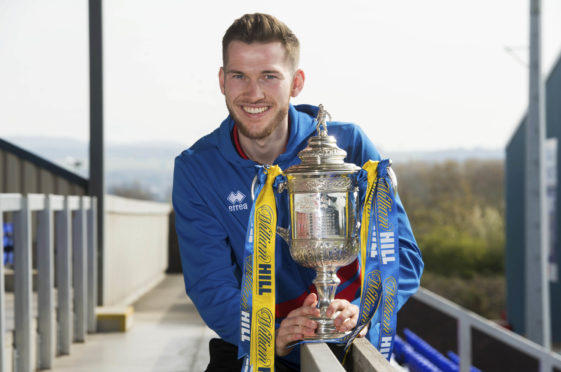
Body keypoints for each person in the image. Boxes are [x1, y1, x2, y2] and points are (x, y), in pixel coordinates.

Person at [172, 13, 423, 372]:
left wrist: (363, 309)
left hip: (349, 342)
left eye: (269, 76)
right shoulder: (198, 168)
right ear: (222, 81)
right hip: (260, 347)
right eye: (239, 75)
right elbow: (210, 284)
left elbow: (403, 254)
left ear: (296, 82)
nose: (253, 93)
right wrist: (268, 335)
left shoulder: (349, 146)